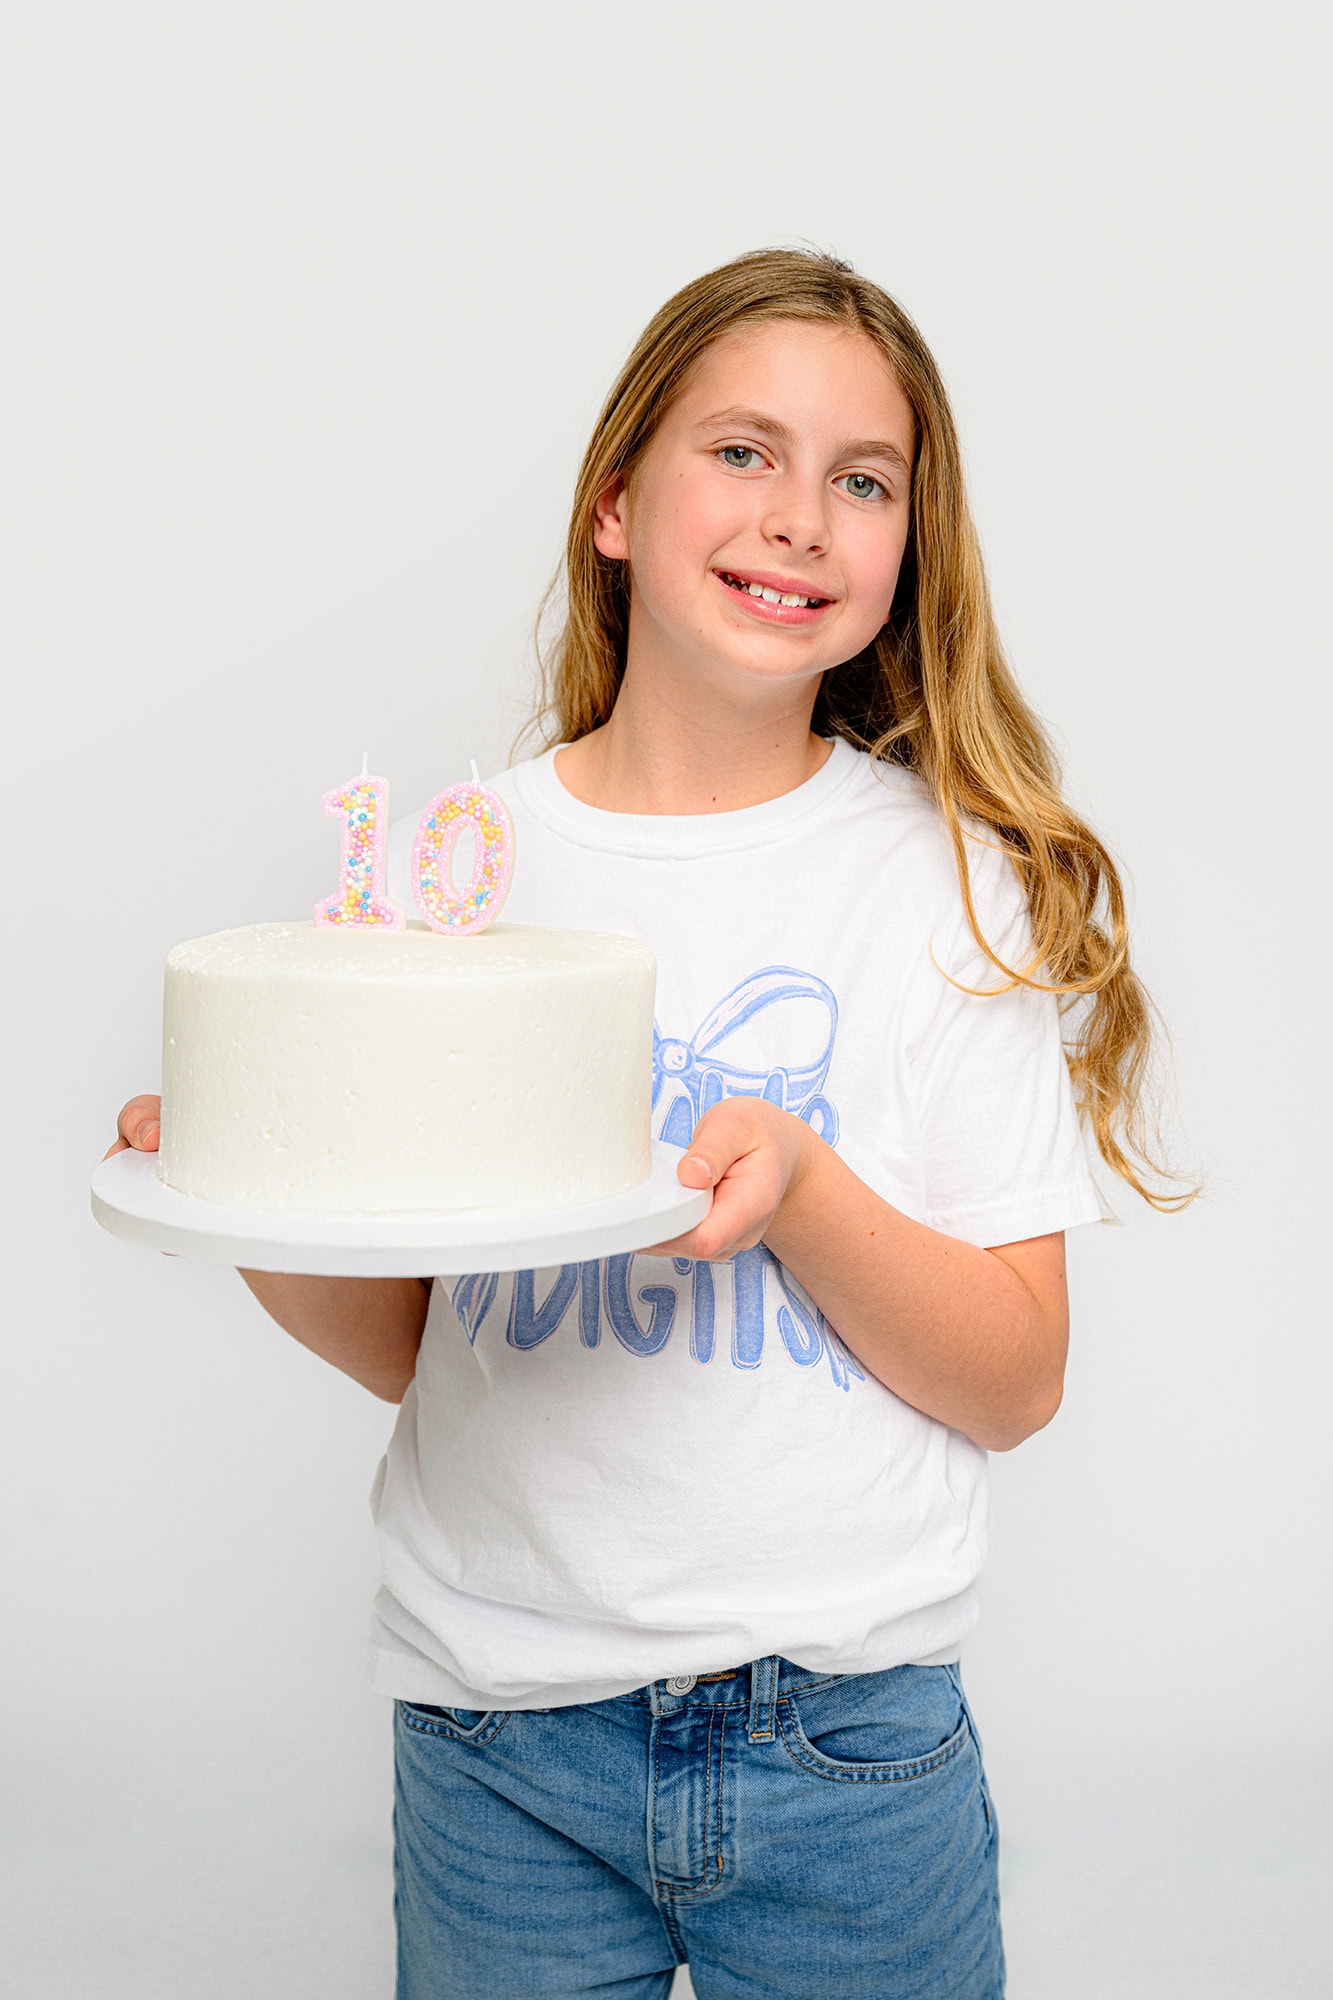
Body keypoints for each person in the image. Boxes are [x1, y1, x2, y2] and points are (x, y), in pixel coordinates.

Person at [106, 247, 1187, 1998]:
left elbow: (1016, 1378)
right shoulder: (467, 882)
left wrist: (808, 1194)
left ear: (910, 546)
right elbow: (415, 1342)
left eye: (862, 480)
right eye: (741, 453)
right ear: (616, 502)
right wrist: (250, 1200)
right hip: (499, 1743)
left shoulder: (948, 889)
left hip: (849, 1753)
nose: (800, 519)